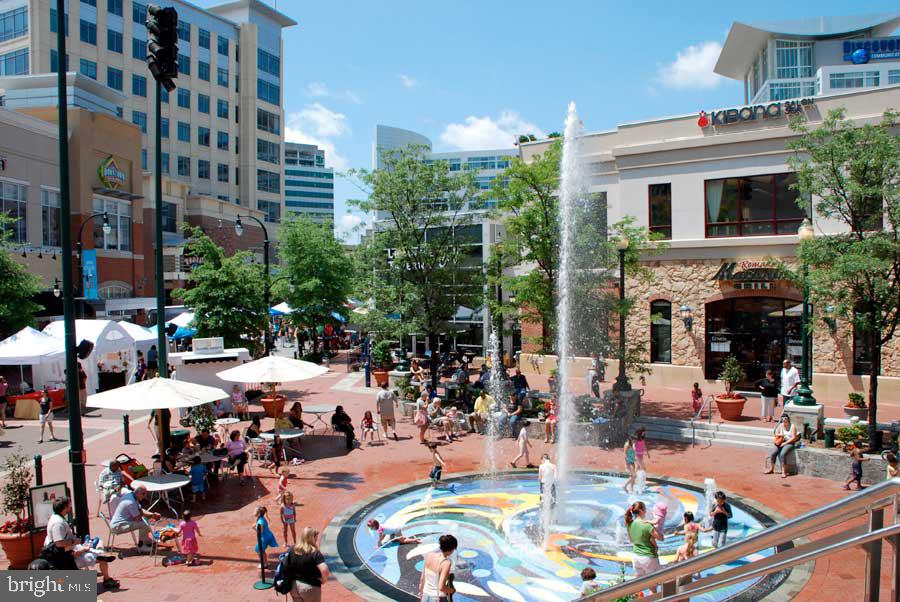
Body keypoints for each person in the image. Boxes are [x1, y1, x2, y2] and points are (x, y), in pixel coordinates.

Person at [45, 496, 119, 588]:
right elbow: (59, 543)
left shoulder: (56, 518)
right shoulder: (58, 523)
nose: (70, 507)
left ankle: (106, 576)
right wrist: (75, 542)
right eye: (69, 505)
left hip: (69, 554)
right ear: (64, 508)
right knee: (102, 556)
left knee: (99, 549)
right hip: (65, 558)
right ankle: (106, 579)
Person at [285, 526, 331, 602]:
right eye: (316, 537)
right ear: (312, 538)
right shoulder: (315, 553)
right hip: (310, 588)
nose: (316, 540)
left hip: (294, 587)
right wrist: (323, 580)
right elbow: (325, 570)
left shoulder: (292, 549)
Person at [624, 501, 663, 589]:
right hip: (648, 558)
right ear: (641, 511)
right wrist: (657, 527)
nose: (646, 511)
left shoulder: (630, 524)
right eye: (645, 509)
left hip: (636, 557)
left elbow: (631, 540)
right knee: (654, 586)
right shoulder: (647, 525)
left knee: (638, 586)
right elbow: (661, 538)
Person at [110, 485, 160, 552]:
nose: (145, 496)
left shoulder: (131, 495)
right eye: (143, 494)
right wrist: (151, 516)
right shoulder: (131, 502)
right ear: (137, 493)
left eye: (145, 493)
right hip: (118, 526)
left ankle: (146, 539)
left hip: (120, 523)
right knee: (143, 524)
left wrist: (152, 515)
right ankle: (141, 546)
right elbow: (138, 518)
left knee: (144, 521)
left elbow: (140, 510)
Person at [419, 534, 458, 602]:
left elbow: (422, 578)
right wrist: (452, 590)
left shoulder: (429, 555)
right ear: (451, 549)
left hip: (425, 594)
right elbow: (441, 587)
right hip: (436, 598)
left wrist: (421, 593)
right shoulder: (446, 563)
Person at [765, 414, 799, 478]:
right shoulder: (781, 425)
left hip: (789, 443)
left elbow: (794, 438)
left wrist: (785, 443)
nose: (784, 420)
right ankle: (771, 469)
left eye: (785, 418)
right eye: (783, 419)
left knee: (782, 454)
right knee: (773, 453)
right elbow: (776, 433)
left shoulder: (792, 426)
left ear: (788, 419)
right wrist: (781, 434)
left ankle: (784, 472)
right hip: (781, 441)